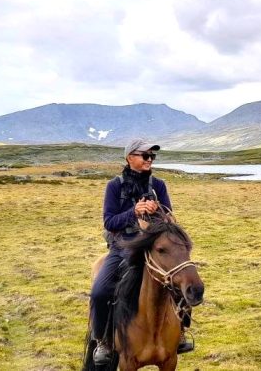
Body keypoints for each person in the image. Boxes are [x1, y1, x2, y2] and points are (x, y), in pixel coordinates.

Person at [90, 138, 193, 366]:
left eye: (152, 157)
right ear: (130, 158)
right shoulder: (115, 186)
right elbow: (109, 221)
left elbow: (169, 220)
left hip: (151, 247)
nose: (149, 160)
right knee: (100, 291)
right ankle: (103, 341)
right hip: (122, 248)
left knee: (180, 278)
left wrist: (159, 213)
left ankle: (182, 331)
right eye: (145, 156)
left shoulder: (159, 185)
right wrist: (134, 212)